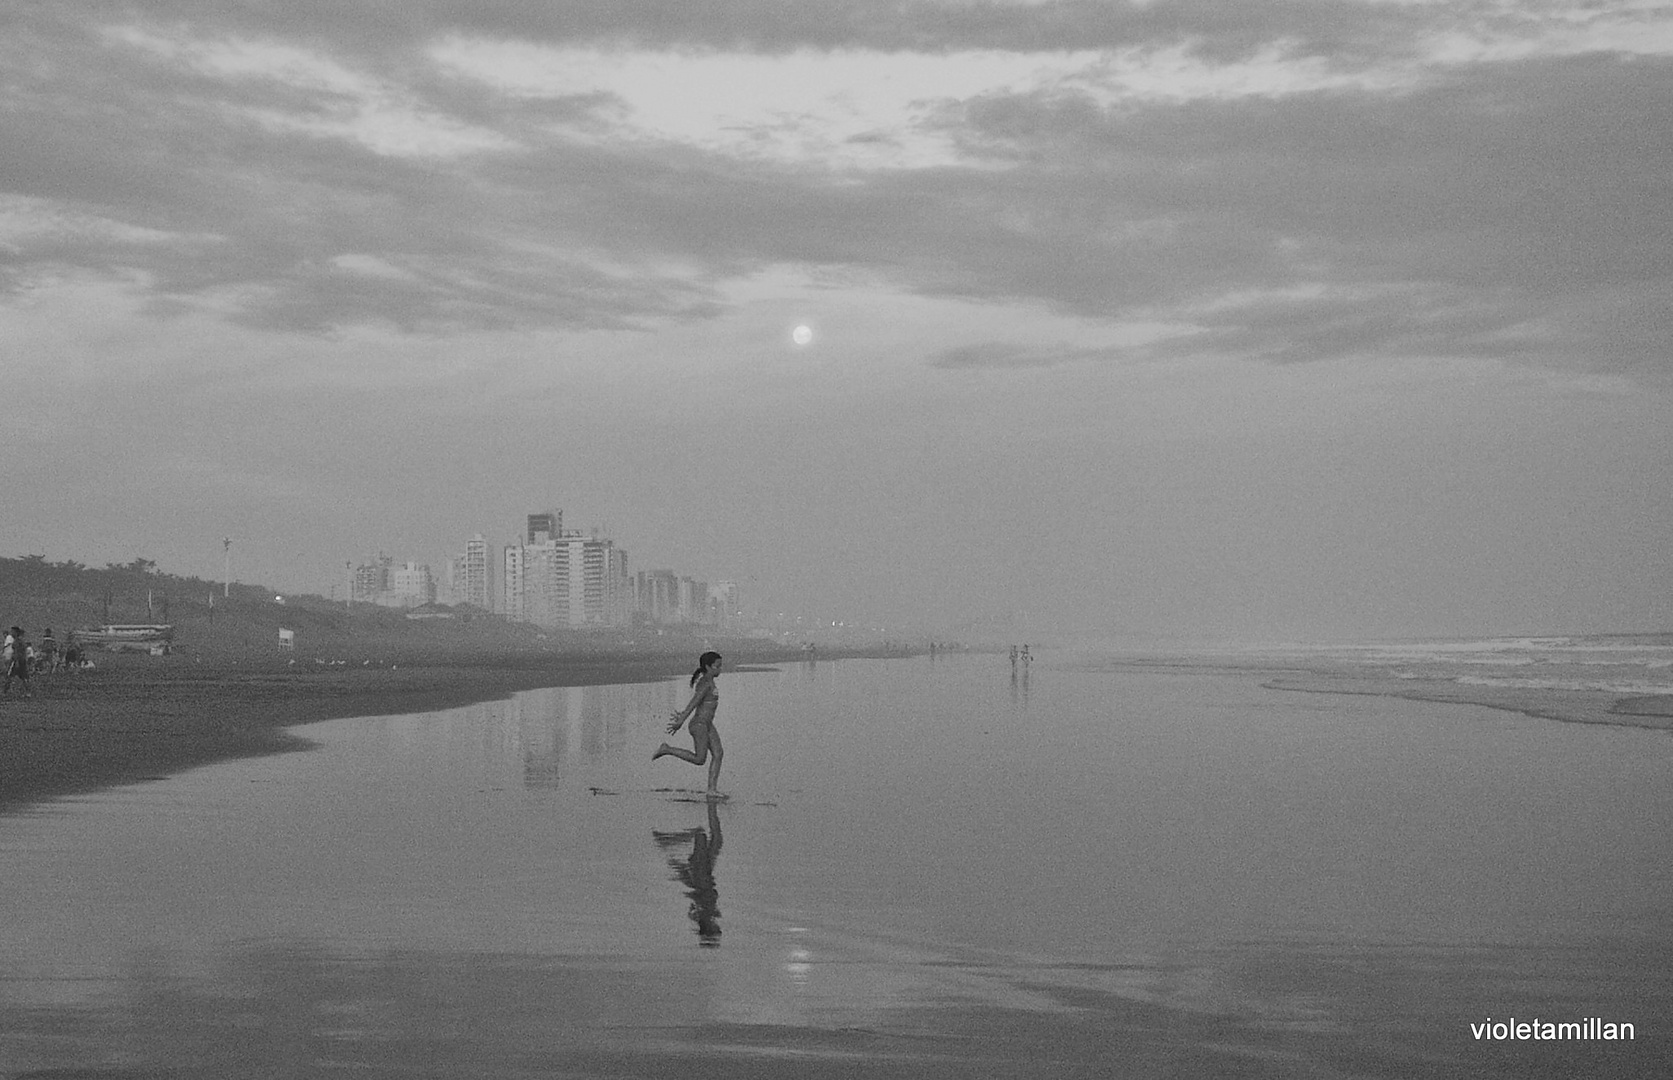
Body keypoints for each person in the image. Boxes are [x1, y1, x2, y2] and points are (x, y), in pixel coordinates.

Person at [653, 651, 725, 796]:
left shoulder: (710, 681)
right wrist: (681, 719)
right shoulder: (705, 683)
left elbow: (701, 705)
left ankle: (712, 789)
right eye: (717, 666)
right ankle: (667, 749)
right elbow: (695, 702)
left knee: (718, 753)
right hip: (699, 725)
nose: (720, 669)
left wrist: (682, 714)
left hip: (708, 724)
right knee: (700, 759)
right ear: (708, 667)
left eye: (720, 666)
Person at [3, 627, 31, 697]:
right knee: (23, 677)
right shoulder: (20, 641)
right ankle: (27, 692)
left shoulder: (17, 642)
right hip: (21, 661)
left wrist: (16, 661)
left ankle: (4, 692)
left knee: (10, 676)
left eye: (12, 631)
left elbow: (17, 652)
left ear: (16, 633)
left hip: (17, 661)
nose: (11, 633)